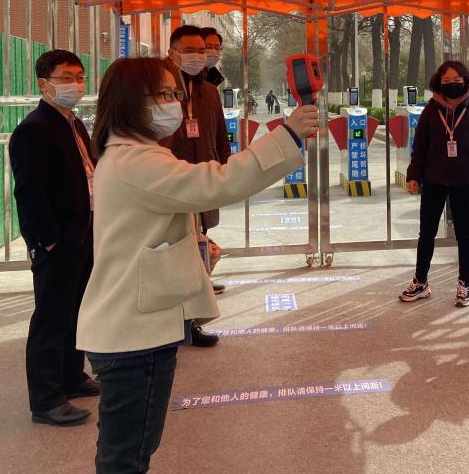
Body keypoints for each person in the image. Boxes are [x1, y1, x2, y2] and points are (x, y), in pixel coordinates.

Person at [77, 57, 318, 474]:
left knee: (128, 448)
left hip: (133, 327)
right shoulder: (135, 161)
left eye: (177, 93)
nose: (176, 103)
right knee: (126, 457)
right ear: (132, 100)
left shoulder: (131, 155)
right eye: (166, 94)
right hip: (133, 335)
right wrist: (288, 135)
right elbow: (217, 182)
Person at [9, 50, 99, 426]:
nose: (75, 84)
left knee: (76, 310)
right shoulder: (34, 129)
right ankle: (46, 400)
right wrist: (47, 240)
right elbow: (29, 191)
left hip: (83, 231)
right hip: (58, 239)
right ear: (43, 84)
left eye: (79, 77)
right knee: (51, 318)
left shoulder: (73, 123)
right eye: (65, 78)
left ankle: (70, 376)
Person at [400, 61, 469, 307]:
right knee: (426, 234)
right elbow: (420, 147)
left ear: (465, 82)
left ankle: (464, 284)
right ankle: (420, 281)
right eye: (446, 80)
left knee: (464, 236)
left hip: (463, 182)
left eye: (456, 80)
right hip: (433, 181)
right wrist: (413, 175)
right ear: (438, 83)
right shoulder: (430, 111)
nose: (451, 84)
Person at [164, 25, 232, 344]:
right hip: (172, 183)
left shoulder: (209, 91)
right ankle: (174, 322)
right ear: (172, 53)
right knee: (176, 254)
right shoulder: (162, 89)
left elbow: (220, 136)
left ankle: (191, 322)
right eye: (190, 50)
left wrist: (224, 170)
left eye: (202, 50)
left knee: (200, 250)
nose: (199, 56)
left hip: (203, 179)